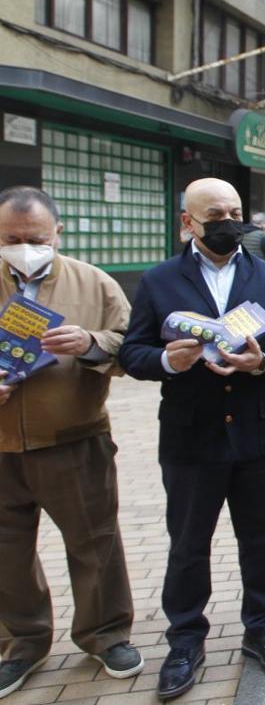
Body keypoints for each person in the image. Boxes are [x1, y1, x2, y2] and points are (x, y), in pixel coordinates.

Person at [119, 178, 265, 701]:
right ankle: (185, 640)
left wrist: (264, 361)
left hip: (257, 432)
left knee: (261, 538)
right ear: (189, 222)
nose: (229, 222)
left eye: (235, 212)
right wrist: (168, 360)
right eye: (216, 215)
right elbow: (131, 352)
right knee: (188, 545)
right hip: (190, 437)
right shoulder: (160, 281)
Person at [0, 187, 140, 700]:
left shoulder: (94, 283)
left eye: (33, 238)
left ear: (57, 233)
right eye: (9, 239)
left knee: (94, 541)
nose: (22, 247)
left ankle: (105, 634)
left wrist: (90, 344)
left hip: (74, 439)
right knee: (7, 551)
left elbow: (132, 346)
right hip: (1, 447)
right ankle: (22, 642)